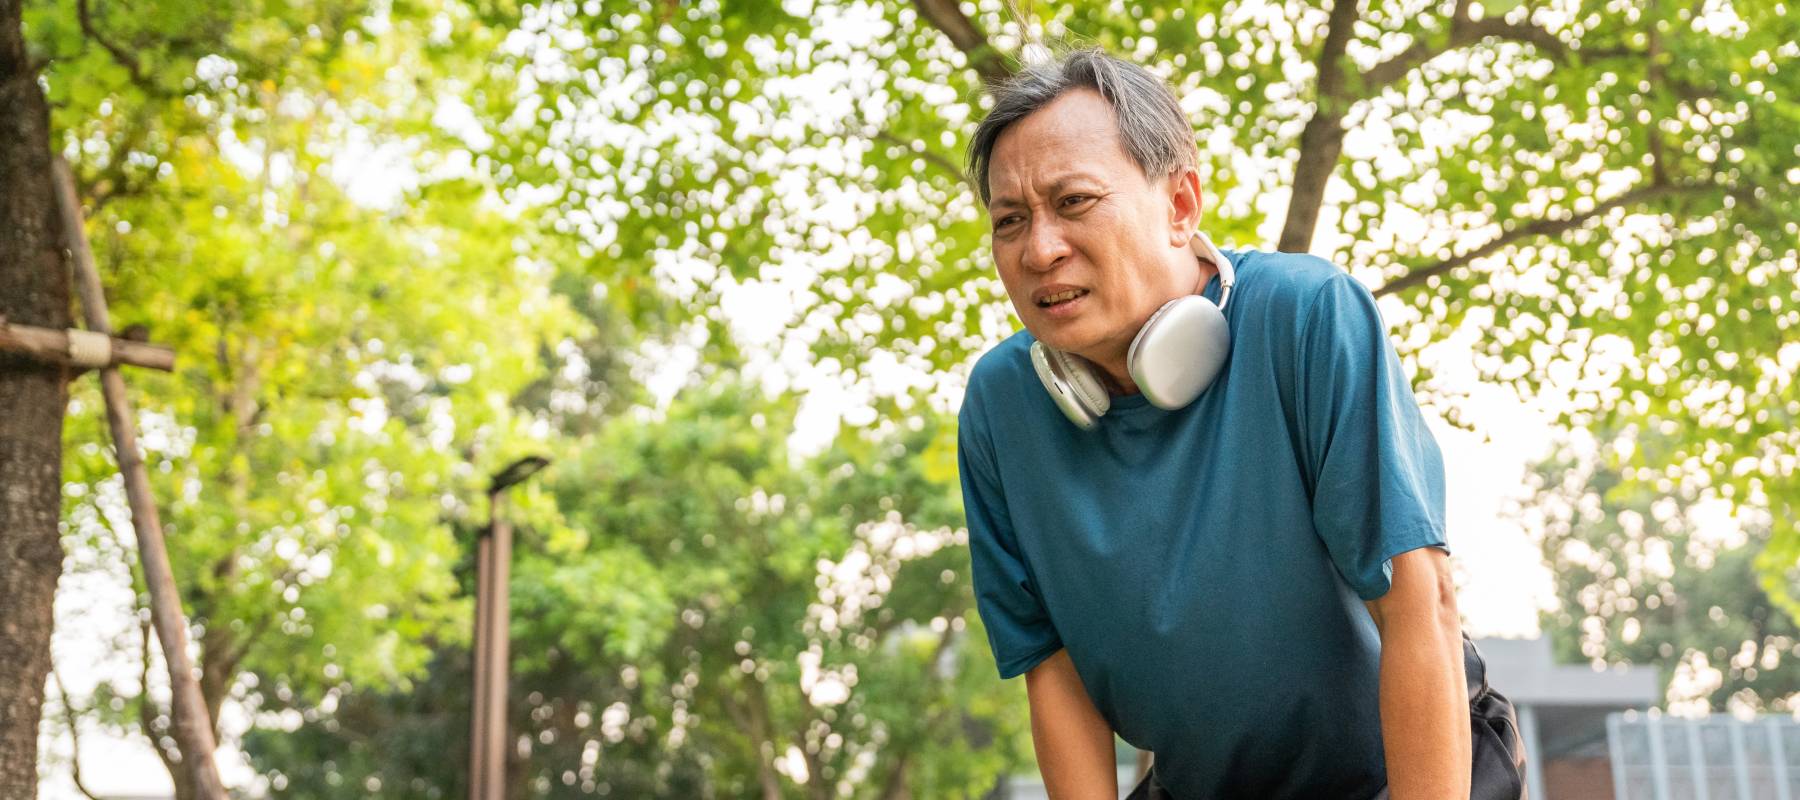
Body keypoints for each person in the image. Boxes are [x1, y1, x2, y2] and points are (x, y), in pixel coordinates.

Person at [956, 49, 1472, 799]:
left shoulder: (1307, 316)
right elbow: (1054, 670)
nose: (1040, 249)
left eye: (1073, 203)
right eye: (1010, 220)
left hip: (1406, 768)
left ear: (1180, 205)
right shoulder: (999, 407)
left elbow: (1418, 603)